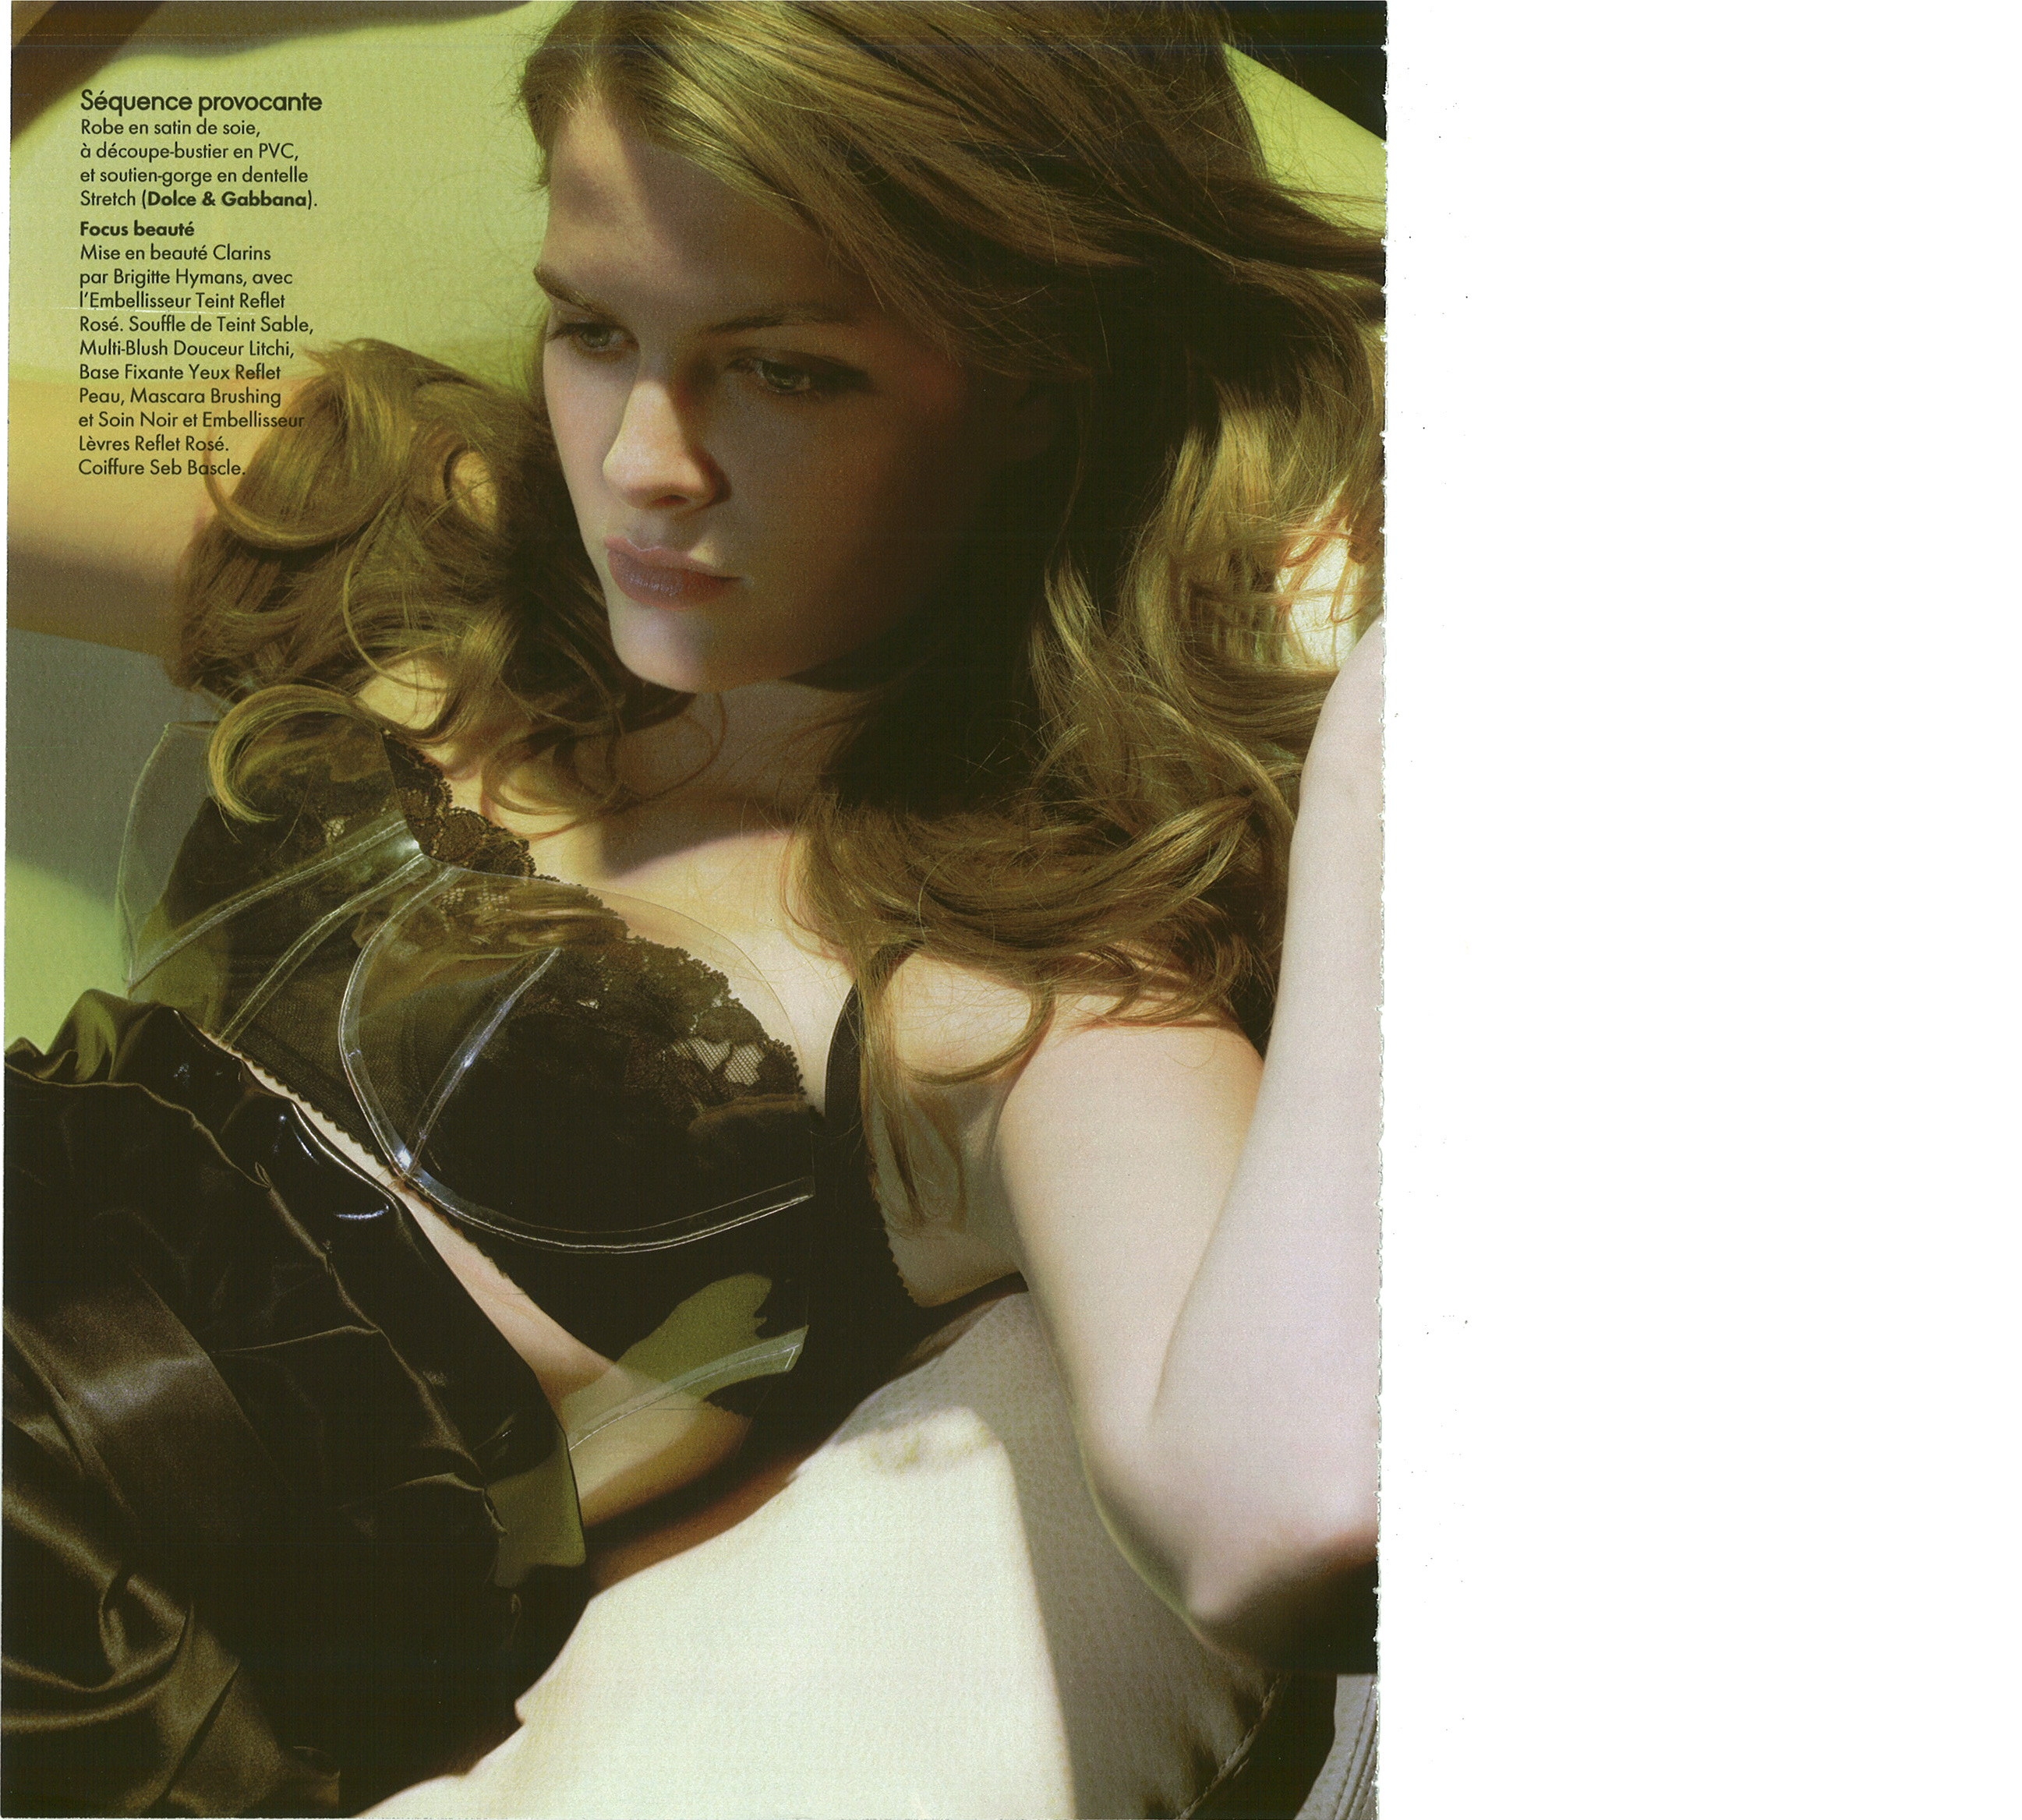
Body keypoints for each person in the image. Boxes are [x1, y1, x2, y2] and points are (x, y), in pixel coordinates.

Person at [3, 4, 1382, 1812]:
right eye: (593, 329)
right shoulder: (427, 530)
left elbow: (1283, 1522)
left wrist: (1382, 735)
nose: (641, 461)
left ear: (1044, 377)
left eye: (784, 369)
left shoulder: (1019, 988)